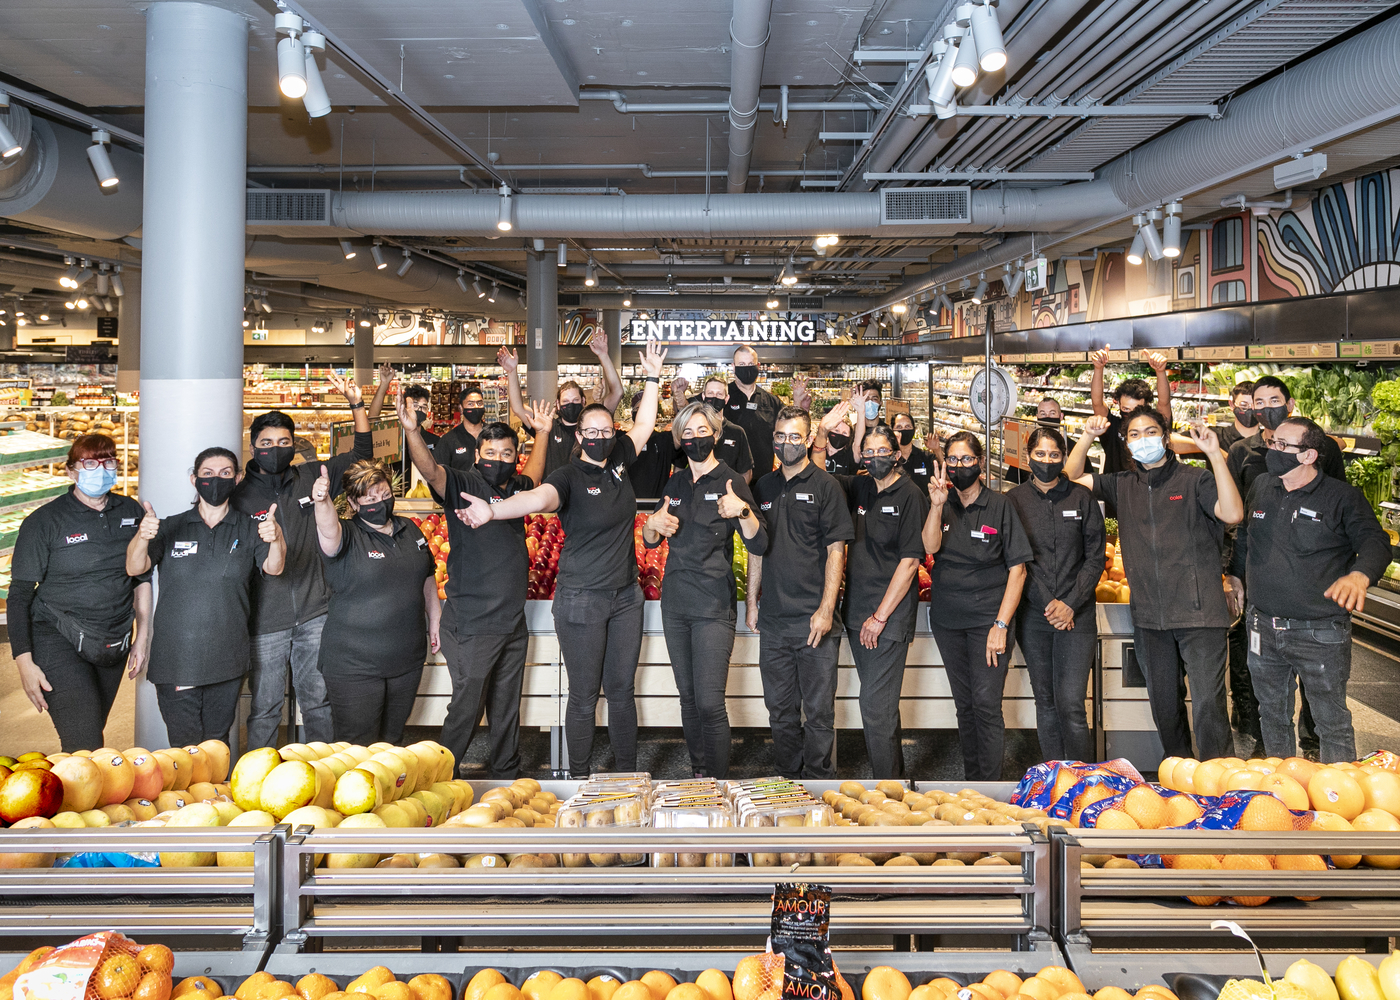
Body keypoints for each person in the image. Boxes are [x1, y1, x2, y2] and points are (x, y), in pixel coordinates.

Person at [457, 341, 668, 775]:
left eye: (605, 430)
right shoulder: (568, 476)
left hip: (626, 597)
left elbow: (645, 423)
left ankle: (629, 774)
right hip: (581, 601)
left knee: (622, 691)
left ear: (613, 431)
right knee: (584, 695)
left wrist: (651, 376)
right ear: (578, 436)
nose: (598, 437)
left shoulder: (619, 463)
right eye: (590, 431)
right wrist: (493, 510)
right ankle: (579, 777)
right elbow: (537, 497)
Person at [1067, 410, 1244, 759]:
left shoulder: (1195, 481)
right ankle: (1178, 771)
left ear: (1165, 437)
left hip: (1200, 613)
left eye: (1151, 431)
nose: (1143, 439)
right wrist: (1087, 435)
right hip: (1149, 616)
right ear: (1126, 443)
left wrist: (1212, 455)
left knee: (1208, 704)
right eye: (1134, 434)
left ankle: (1218, 778)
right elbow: (1070, 478)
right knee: (1164, 704)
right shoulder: (1121, 484)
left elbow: (1233, 513)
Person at [400, 392, 552, 776]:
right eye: (490, 452)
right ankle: (440, 776)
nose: (497, 460)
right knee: (467, 704)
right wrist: (411, 432)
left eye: (505, 454)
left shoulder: (516, 487)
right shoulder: (462, 483)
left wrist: (544, 433)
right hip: (472, 620)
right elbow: (431, 470)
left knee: (505, 704)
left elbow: (534, 473)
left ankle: (505, 770)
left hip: (512, 620)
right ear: (477, 453)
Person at [1226, 416, 1389, 763]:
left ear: (1309, 455)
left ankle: (1338, 801)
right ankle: (1284, 791)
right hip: (1262, 627)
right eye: (1272, 442)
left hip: (1318, 631)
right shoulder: (1261, 487)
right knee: (1271, 713)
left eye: (1284, 445)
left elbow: (1376, 542)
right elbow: (1245, 536)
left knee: (1330, 721)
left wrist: (1359, 575)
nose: (1273, 450)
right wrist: (1235, 576)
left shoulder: (1342, 497)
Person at [233, 372, 373, 750]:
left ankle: (319, 771)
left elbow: (362, 455)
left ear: (294, 445)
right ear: (252, 447)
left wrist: (356, 403)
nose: (274, 448)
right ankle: (256, 776)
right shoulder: (239, 495)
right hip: (264, 621)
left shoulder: (313, 476)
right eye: (266, 443)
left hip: (316, 614)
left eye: (283, 442)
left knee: (318, 703)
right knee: (264, 707)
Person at [126, 447, 286, 747]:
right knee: (184, 747)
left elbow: (274, 568)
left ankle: (213, 795)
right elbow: (135, 567)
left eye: (225, 473)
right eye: (208, 474)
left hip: (227, 659)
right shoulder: (171, 526)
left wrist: (275, 539)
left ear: (237, 478)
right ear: (194, 479)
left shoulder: (251, 527)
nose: (216, 480)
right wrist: (142, 537)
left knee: (216, 744)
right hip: (176, 659)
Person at [643, 400, 767, 778]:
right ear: (680, 439)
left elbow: (759, 544)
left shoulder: (732, 481)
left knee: (711, 701)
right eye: (688, 433)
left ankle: (717, 780)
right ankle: (699, 773)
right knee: (689, 699)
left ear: (715, 434)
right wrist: (653, 524)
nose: (695, 438)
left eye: (702, 431)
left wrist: (742, 512)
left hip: (714, 604)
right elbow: (650, 540)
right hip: (676, 601)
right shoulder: (676, 481)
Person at [9, 434, 154, 751]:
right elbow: (19, 594)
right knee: (85, 741)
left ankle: (72, 795)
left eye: (108, 462)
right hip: (56, 635)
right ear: (71, 471)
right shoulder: (44, 522)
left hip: (112, 640)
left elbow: (141, 578)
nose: (100, 470)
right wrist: (24, 663)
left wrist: (142, 637)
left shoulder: (131, 512)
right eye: (89, 463)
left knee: (87, 736)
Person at [1227, 375, 1344, 757]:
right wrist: (1235, 572)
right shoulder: (1245, 454)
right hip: (1263, 581)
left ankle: (1314, 749)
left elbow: (1337, 506)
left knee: (1322, 695)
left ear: (1289, 403)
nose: (1263, 408)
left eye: (1273, 399)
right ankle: (1265, 748)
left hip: (1313, 590)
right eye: (1257, 402)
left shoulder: (1318, 445)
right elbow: (1240, 522)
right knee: (1264, 685)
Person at [746, 403, 855, 779]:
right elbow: (757, 547)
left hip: (814, 622)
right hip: (774, 622)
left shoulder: (826, 487)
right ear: (773, 440)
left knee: (819, 712)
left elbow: (836, 551)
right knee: (779, 710)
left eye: (795, 436)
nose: (787, 443)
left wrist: (827, 609)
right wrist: (752, 601)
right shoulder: (763, 486)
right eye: (780, 436)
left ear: (809, 440)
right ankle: (788, 780)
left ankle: (819, 781)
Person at [921, 433, 1032, 781]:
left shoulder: (1000, 505)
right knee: (965, 705)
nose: (959, 467)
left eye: (966, 460)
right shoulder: (944, 501)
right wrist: (937, 504)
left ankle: (992, 786)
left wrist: (1000, 626)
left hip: (988, 622)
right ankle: (973, 780)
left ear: (980, 463)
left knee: (985, 704)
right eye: (952, 460)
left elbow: (1019, 569)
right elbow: (930, 546)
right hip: (947, 620)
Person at [309, 458, 439, 744]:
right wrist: (322, 501)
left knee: (392, 742)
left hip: (406, 661)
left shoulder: (410, 529)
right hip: (354, 665)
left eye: (385, 496)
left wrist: (435, 618)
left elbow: (427, 574)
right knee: (358, 745)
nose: (379, 503)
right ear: (354, 504)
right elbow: (328, 529)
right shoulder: (347, 535)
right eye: (370, 499)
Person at [830, 420, 927, 779]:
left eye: (882, 452)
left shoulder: (910, 495)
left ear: (898, 454)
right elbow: (820, 470)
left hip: (886, 618)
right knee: (881, 707)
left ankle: (888, 790)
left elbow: (910, 561)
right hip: (857, 612)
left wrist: (880, 616)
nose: (874, 458)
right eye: (868, 453)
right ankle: (894, 780)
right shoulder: (860, 487)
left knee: (874, 706)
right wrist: (825, 433)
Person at [1006, 427, 1104, 765]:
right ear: (1028, 456)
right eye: (1040, 454)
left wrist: (1070, 603)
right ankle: (1053, 774)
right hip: (1035, 615)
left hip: (1078, 614)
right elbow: (1017, 559)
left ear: (1063, 457)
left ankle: (1082, 777)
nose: (1047, 461)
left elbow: (1095, 556)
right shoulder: (1014, 501)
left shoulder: (1081, 498)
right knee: (1045, 700)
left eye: (1054, 455)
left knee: (1072, 702)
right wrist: (1047, 601)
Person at [500, 330, 623, 478]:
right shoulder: (546, 427)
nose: (571, 405)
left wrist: (603, 355)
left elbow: (617, 392)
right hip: (554, 495)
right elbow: (518, 408)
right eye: (565, 401)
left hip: (586, 493)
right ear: (557, 404)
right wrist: (511, 372)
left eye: (575, 400)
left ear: (583, 401)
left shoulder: (594, 426)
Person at [1228, 376, 1345, 494]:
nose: (1267, 408)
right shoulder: (1240, 451)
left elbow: (1339, 495)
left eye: (1274, 401)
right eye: (1260, 402)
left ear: (1290, 404)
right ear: (1253, 408)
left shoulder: (1325, 446)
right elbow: (1234, 503)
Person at [1089, 349, 1172, 475]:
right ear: (1119, 405)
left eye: (1137, 410)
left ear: (1147, 406)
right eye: (1126, 410)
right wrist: (1098, 368)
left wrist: (1160, 372)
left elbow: (1164, 403)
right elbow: (1097, 403)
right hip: (1115, 487)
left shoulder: (1155, 427)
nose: (1132, 416)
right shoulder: (1112, 427)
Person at [726, 345, 783, 476]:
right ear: (733, 367)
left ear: (758, 365)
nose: (746, 368)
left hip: (763, 478)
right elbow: (688, 412)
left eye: (750, 364)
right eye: (742, 364)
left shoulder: (771, 401)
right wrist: (679, 396)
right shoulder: (722, 397)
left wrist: (799, 403)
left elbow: (791, 423)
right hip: (729, 478)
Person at [699, 377, 756, 483]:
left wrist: (735, 495)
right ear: (703, 396)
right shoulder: (694, 431)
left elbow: (746, 472)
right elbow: (680, 467)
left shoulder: (737, 432)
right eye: (710, 393)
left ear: (726, 399)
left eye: (719, 394)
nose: (714, 397)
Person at [626, 388, 678, 500]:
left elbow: (682, 427)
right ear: (632, 413)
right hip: (628, 510)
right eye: (638, 409)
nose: (642, 413)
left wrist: (679, 395)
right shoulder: (624, 442)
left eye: (647, 409)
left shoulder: (665, 440)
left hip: (657, 509)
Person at [437, 383, 488, 471]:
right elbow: (439, 473)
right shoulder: (448, 440)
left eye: (479, 403)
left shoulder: (493, 434)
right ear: (461, 408)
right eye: (470, 404)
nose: (476, 407)